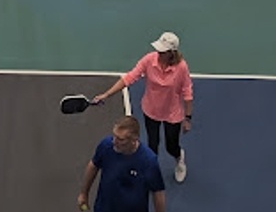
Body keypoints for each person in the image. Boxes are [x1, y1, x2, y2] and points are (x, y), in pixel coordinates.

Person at [92, 32, 193, 183]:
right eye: (159, 50)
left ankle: (179, 159)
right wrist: (107, 94)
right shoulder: (149, 60)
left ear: (171, 53)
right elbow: (129, 77)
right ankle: (151, 172)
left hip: (172, 113)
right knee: (152, 145)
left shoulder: (181, 67)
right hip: (151, 110)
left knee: (171, 146)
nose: (159, 53)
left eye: (163, 51)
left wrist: (187, 118)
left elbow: (187, 91)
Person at [77, 116, 166, 212]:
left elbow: (157, 192)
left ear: (134, 140)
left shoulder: (149, 161)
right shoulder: (106, 146)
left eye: (120, 139)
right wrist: (84, 193)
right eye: (114, 136)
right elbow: (93, 166)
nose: (114, 142)